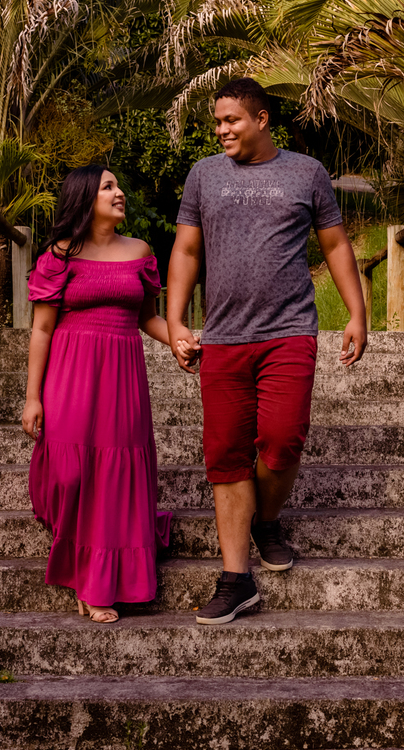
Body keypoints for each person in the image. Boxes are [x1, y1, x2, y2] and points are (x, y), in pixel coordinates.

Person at [167, 77, 368, 625]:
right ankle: (237, 581)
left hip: (289, 332)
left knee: (281, 442)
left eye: (231, 119)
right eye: (216, 123)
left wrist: (357, 313)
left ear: (261, 119)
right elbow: (186, 248)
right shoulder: (204, 174)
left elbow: (334, 244)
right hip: (224, 337)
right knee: (227, 457)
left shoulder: (306, 172)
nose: (222, 130)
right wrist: (176, 318)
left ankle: (265, 519)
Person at [22, 164, 174, 624]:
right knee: (69, 474)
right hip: (69, 376)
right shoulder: (59, 256)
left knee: (112, 477)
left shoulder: (141, 252)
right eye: (109, 186)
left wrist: (182, 339)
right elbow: (42, 328)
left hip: (122, 378)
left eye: (118, 184)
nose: (120, 192)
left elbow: (150, 318)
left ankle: (97, 582)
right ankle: (81, 558)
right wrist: (33, 398)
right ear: (86, 197)